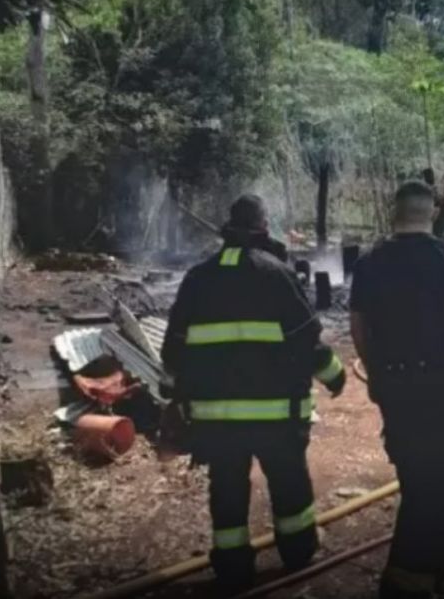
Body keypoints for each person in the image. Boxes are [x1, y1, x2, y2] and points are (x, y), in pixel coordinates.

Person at [161, 194, 346, 597]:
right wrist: (335, 376)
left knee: (226, 488)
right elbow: (307, 343)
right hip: (276, 417)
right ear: (263, 229)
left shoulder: (198, 279)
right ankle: (297, 553)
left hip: (216, 420)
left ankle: (231, 567)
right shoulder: (275, 275)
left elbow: (173, 351)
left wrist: (172, 396)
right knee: (288, 482)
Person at [349, 181, 444, 599]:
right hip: (436, 381)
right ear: (432, 213)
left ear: (393, 211)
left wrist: (376, 370)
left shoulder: (369, 263)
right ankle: (407, 574)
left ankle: (438, 549)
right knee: (440, 469)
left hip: (393, 380)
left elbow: (357, 325)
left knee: (413, 463)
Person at [421, 167, 444, 242]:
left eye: (431, 175)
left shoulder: (436, 187)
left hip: (442, 214)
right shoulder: (425, 189)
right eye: (429, 175)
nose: (431, 177)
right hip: (435, 215)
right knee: (438, 235)